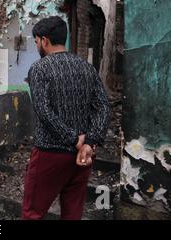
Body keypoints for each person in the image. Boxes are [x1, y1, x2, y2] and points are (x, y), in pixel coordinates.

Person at [22, 16, 110, 220]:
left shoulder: (40, 68)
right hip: (83, 156)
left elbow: (43, 111)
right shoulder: (87, 67)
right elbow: (103, 107)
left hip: (50, 154)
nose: (37, 46)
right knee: (72, 212)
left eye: (36, 42)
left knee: (32, 212)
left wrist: (73, 139)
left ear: (44, 40)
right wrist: (89, 142)